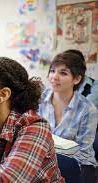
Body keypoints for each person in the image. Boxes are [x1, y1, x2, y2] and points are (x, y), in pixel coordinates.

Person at [38, 52, 98, 183]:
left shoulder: (87, 109)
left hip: (78, 165)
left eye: (63, 73)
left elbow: (83, 152)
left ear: (76, 79)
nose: (54, 77)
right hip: (42, 159)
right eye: (52, 71)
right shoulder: (39, 99)